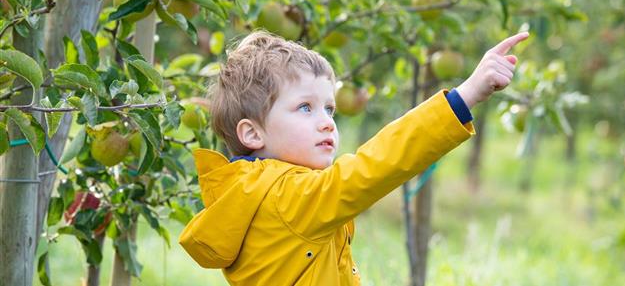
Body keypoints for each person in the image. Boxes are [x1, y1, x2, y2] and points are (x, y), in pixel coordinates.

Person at [179, 30, 529, 285]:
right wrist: (464, 96)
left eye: (329, 109)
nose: (326, 123)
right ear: (253, 133)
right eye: (305, 107)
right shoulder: (289, 198)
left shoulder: (255, 193)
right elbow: (377, 164)